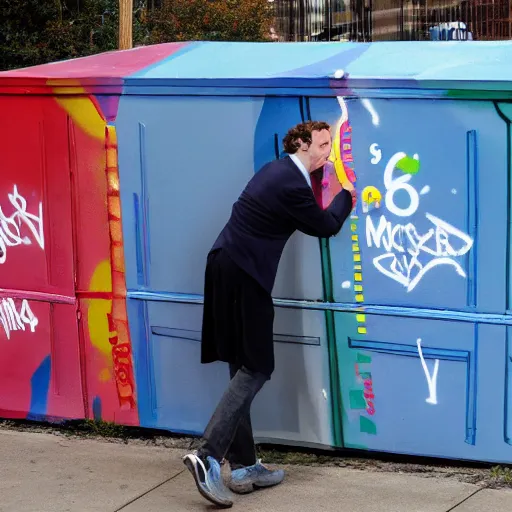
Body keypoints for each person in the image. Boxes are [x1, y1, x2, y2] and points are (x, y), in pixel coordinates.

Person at [183, 121, 355, 508]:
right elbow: (325, 225)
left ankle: (244, 466)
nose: (328, 153)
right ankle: (208, 455)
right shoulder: (291, 182)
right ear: (301, 143)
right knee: (258, 366)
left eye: (331, 145)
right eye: (323, 145)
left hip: (226, 266)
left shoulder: (278, 172)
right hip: (244, 275)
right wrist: (346, 195)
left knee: (240, 364)